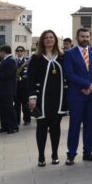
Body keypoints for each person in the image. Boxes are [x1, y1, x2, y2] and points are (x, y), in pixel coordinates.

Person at [63, 28, 92, 164]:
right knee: (74, 125)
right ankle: (71, 154)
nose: (85, 39)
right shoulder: (69, 54)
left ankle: (88, 152)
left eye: (87, 36)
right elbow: (69, 74)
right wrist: (86, 85)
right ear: (77, 37)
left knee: (89, 125)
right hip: (77, 95)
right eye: (82, 36)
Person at [27, 30, 67, 166]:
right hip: (41, 99)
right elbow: (30, 79)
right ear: (42, 41)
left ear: (55, 40)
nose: (49, 40)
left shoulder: (62, 57)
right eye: (46, 38)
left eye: (51, 37)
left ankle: (55, 154)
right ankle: (41, 156)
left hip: (58, 98)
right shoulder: (36, 58)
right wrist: (32, 97)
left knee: (56, 126)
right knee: (42, 127)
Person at [0, 45, 18, 134]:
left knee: (9, 109)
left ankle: (13, 126)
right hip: (2, 89)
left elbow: (8, 74)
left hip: (7, 89)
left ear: (3, 52)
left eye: (0, 52)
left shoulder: (11, 61)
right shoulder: (5, 61)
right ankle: (4, 126)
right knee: (2, 109)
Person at [14, 46, 31, 126]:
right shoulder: (13, 61)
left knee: (25, 104)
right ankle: (17, 120)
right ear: (16, 52)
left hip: (25, 86)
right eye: (18, 51)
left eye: (21, 51)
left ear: (24, 52)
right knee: (16, 104)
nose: (19, 52)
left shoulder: (27, 61)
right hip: (16, 86)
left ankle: (27, 119)